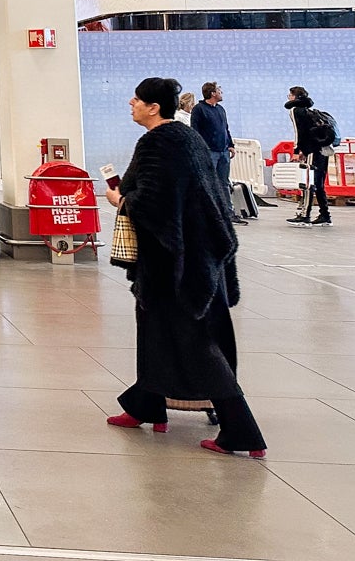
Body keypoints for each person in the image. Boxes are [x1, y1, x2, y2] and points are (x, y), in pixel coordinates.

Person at [104, 76, 266, 458]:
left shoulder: (159, 142)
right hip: (202, 256)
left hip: (175, 263)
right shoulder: (187, 138)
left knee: (193, 340)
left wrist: (120, 201)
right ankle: (147, 404)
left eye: (137, 99)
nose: (131, 103)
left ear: (153, 107)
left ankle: (242, 430)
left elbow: (154, 203)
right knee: (159, 331)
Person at [286, 86, 337, 227]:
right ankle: (325, 215)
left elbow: (299, 132)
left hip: (312, 151)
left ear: (294, 97)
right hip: (323, 149)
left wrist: (297, 151)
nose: (288, 98)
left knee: (308, 183)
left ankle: (304, 215)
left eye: (289, 95)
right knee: (319, 183)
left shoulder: (295, 110)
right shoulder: (309, 111)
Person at [191, 83, 239, 222]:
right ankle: (208, 213)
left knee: (224, 183)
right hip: (209, 152)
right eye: (219, 90)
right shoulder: (199, 110)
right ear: (212, 93)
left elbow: (225, 129)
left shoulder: (221, 110)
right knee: (207, 182)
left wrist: (230, 145)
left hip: (223, 152)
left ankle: (227, 213)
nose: (221, 92)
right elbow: (195, 130)